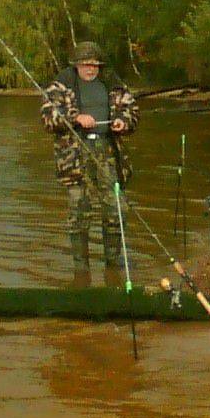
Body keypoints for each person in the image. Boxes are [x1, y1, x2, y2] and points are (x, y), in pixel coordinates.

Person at [40, 41, 139, 284]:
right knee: (79, 212)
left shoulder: (113, 84)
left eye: (95, 65)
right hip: (75, 157)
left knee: (116, 209)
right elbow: (48, 119)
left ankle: (113, 265)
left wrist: (123, 121)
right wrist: (75, 118)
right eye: (86, 64)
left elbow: (132, 111)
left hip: (108, 152)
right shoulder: (60, 86)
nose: (91, 69)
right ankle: (81, 272)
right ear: (76, 65)